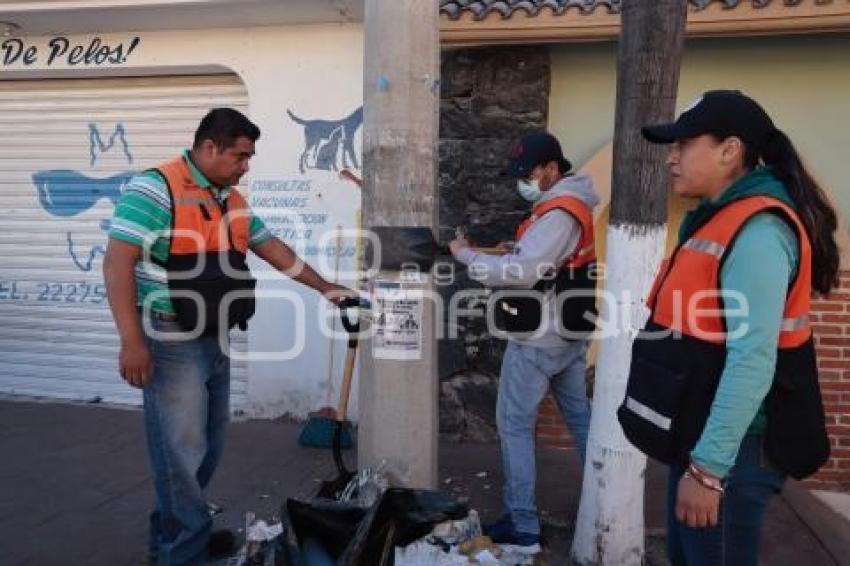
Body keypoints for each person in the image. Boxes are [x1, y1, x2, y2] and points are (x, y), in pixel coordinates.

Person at [103, 108, 351, 565]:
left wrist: (325, 287)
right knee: (179, 450)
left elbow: (272, 247)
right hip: (171, 336)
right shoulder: (155, 188)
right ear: (209, 147)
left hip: (215, 334)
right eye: (241, 155)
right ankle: (187, 551)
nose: (246, 165)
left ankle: (174, 540)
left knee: (207, 446)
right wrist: (131, 340)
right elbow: (117, 263)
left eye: (250, 157)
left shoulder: (230, 199)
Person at [619, 90, 837, 565]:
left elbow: (752, 360)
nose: (671, 158)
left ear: (729, 150)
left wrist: (709, 473)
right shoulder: (715, 220)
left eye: (684, 145)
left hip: (734, 454)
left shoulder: (759, 232)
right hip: (702, 437)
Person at [449, 131, 598, 550]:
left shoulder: (558, 214)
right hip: (568, 333)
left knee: (514, 426)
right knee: (581, 420)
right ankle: (603, 501)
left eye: (530, 172)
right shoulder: (569, 206)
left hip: (539, 338)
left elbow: (524, 273)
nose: (524, 181)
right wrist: (515, 247)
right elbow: (545, 259)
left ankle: (523, 526)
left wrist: (465, 255)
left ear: (553, 167)